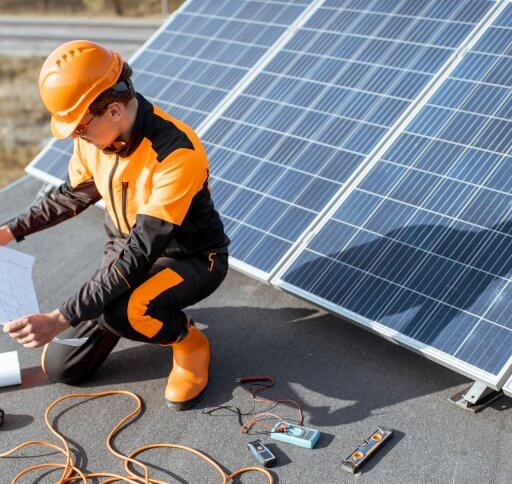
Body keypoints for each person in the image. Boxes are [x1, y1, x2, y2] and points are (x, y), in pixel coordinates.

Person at [0, 40, 230, 410]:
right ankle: (125, 316)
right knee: (65, 368)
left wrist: (61, 317)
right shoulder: (95, 137)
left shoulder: (176, 154)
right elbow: (72, 195)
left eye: (79, 128)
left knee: (123, 312)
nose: (77, 136)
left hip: (191, 259)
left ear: (115, 110)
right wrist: (8, 231)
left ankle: (188, 341)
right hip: (126, 250)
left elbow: (141, 251)